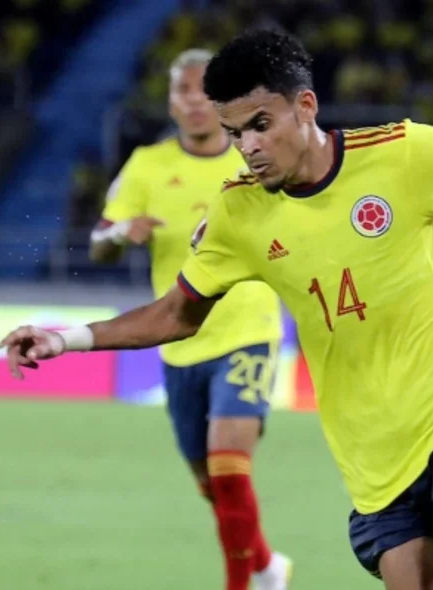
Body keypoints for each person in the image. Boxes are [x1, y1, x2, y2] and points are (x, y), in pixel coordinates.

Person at [0, 30, 433, 590]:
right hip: (370, 450)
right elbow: (177, 315)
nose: (247, 146)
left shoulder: (408, 155)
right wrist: (66, 339)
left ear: (305, 106)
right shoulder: (240, 215)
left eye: (261, 125)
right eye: (236, 131)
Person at [88, 48, 292, 590]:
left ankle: (242, 585)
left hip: (248, 332)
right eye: (184, 91)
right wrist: (117, 235)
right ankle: (268, 565)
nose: (196, 102)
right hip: (179, 340)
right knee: (213, 484)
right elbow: (98, 243)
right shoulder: (146, 165)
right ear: (172, 101)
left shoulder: (254, 157)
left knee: (229, 462)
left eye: (206, 91)